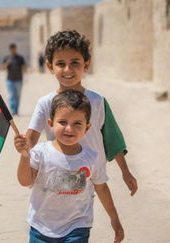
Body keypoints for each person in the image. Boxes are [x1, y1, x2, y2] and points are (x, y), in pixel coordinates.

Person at [26, 30, 138, 197]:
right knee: (72, 211)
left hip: (93, 172)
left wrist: (125, 171)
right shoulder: (46, 103)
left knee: (84, 212)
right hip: (64, 171)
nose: (68, 69)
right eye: (61, 63)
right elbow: (31, 139)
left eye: (75, 62)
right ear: (50, 66)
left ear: (86, 64)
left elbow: (112, 138)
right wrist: (23, 147)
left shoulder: (98, 101)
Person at [14, 90, 124, 243]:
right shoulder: (40, 152)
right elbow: (25, 181)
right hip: (42, 226)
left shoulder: (91, 158)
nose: (69, 128)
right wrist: (24, 156)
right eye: (63, 122)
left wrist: (114, 218)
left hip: (76, 227)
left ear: (87, 128)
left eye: (77, 123)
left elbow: (101, 188)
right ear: (51, 123)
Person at [1, 43, 26, 115]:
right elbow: (2, 68)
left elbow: (24, 67)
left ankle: (16, 110)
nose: (13, 50)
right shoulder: (7, 58)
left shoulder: (20, 58)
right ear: (10, 50)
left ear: (16, 49)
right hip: (10, 80)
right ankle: (12, 110)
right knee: (11, 95)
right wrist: (6, 64)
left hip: (19, 80)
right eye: (12, 49)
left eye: (14, 49)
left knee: (17, 96)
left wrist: (26, 73)